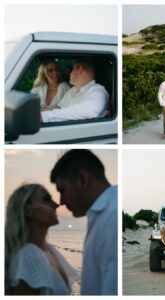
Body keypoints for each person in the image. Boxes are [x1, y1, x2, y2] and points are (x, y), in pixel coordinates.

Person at [50, 149, 117, 295]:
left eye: (62, 190)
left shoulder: (112, 218)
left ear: (83, 179)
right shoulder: (104, 215)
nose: (61, 201)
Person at [5, 184, 77, 295]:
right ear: (28, 211)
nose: (56, 205)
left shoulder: (49, 249)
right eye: (46, 200)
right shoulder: (28, 256)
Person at [41, 61, 109, 122]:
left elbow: (89, 111)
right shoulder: (72, 90)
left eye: (71, 69)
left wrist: (45, 116)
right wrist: (40, 111)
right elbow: (58, 107)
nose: (70, 73)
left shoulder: (98, 91)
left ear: (79, 69)